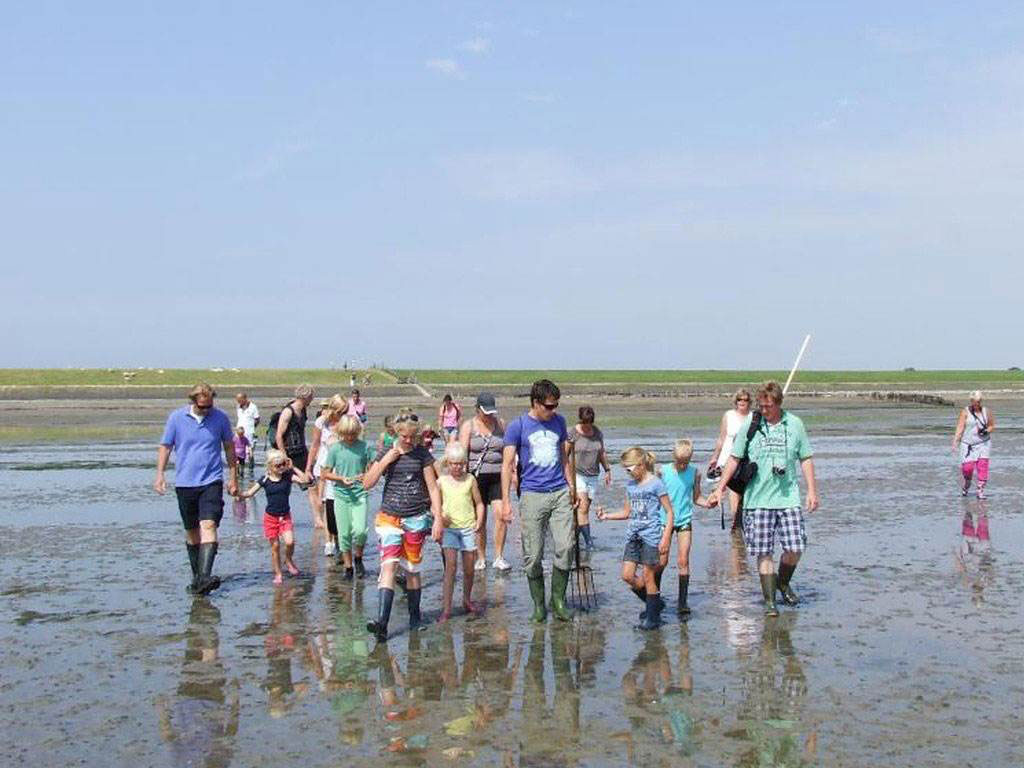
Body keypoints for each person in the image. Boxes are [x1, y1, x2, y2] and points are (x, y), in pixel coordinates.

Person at [708, 381, 819, 617]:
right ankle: (770, 602)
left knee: (795, 547)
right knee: (763, 552)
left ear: (778, 403)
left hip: (787, 498)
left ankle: (782, 582)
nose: (764, 410)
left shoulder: (795, 424)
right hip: (757, 501)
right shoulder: (752, 422)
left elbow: (806, 458)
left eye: (768, 406)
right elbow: (735, 458)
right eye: (761, 405)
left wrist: (812, 491)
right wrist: (720, 488)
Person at [362, 409, 443, 641]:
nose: (408, 441)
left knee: (411, 569)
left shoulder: (422, 455)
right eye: (404, 436)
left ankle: (415, 619)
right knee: (388, 566)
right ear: (396, 432)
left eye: (412, 437)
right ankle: (382, 623)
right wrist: (386, 460)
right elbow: (367, 483)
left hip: (416, 517)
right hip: (389, 517)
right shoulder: (387, 451)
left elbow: (433, 487)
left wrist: (437, 518)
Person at [501, 379, 578, 623]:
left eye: (556, 405)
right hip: (532, 494)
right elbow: (506, 466)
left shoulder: (560, 422)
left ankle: (558, 601)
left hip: (559, 493)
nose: (553, 410)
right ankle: (538, 604)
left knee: (565, 547)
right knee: (533, 556)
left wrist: (571, 485)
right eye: (549, 406)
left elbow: (564, 458)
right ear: (536, 402)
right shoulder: (518, 426)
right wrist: (505, 501)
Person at [154, 383, 238, 595]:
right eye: (202, 406)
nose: (206, 410)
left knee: (209, 525)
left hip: (211, 481)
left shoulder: (220, 418)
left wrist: (233, 477)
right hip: (185, 483)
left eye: (209, 406)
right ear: (193, 402)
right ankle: (198, 578)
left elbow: (229, 447)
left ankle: (205, 576)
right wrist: (160, 475)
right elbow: (165, 446)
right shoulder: (176, 418)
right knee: (192, 532)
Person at [597, 447, 673, 630]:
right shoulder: (630, 486)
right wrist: (606, 516)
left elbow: (670, 512)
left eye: (629, 468)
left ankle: (652, 619)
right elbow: (626, 513)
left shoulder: (656, 483)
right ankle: (655, 603)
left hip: (651, 536)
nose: (627, 472)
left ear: (640, 465)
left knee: (648, 576)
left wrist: (665, 538)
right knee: (627, 576)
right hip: (633, 536)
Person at [238, 450, 310, 584]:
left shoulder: (288, 476)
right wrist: (238, 494)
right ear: (270, 466)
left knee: (290, 542)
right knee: (275, 547)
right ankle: (278, 573)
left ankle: (288, 560)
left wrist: (293, 467)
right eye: (278, 465)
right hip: (270, 518)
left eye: (283, 464)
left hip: (285, 516)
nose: (281, 467)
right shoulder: (265, 479)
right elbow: (249, 493)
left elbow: (306, 481)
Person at [458, 392, 511, 571]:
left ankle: (498, 557)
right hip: (476, 478)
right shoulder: (468, 426)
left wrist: (513, 472)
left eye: (491, 412)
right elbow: (463, 454)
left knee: (501, 516)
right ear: (477, 409)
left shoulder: (501, 424)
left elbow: (509, 450)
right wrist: (461, 480)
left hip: (497, 477)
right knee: (480, 519)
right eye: (486, 412)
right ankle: (481, 557)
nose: (489, 415)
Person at [320, 415, 376, 581]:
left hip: (360, 494)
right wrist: (340, 479)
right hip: (341, 495)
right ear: (341, 432)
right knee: (343, 534)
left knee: (360, 531)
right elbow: (325, 473)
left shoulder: (365, 447)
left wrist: (368, 474)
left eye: (353, 434)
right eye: (346, 434)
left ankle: (358, 557)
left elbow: (375, 464)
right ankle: (348, 566)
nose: (350, 438)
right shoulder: (336, 449)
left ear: (358, 432)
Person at [658, 439, 709, 616]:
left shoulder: (695, 473)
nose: (682, 466)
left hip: (684, 521)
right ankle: (654, 597)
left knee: (683, 560)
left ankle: (682, 602)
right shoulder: (662, 471)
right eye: (679, 462)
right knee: (661, 561)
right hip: (664, 521)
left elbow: (697, 498)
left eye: (685, 463)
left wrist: (708, 503)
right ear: (674, 457)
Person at [437, 442, 485, 621]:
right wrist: (440, 516)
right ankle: (447, 608)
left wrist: (479, 521)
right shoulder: (441, 481)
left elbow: (479, 503)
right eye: (453, 463)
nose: (457, 467)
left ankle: (466, 599)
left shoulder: (470, 479)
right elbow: (434, 505)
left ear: (464, 463)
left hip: (467, 528)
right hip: (450, 529)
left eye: (460, 464)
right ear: (447, 463)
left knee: (469, 569)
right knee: (450, 567)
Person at [707, 389, 752, 531]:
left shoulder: (753, 417)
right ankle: (735, 518)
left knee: (743, 489)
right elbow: (722, 438)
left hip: (746, 458)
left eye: (745, 400)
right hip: (728, 456)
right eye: (739, 400)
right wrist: (715, 457)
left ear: (750, 402)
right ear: (736, 401)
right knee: (731, 486)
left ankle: (740, 515)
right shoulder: (729, 415)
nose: (742, 402)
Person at [567, 406, 612, 550]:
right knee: (583, 508)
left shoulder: (597, 433)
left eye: (590, 423)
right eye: (585, 423)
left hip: (593, 475)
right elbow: (564, 455)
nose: (588, 427)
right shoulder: (573, 433)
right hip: (577, 475)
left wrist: (607, 469)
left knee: (582, 511)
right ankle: (589, 543)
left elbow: (602, 452)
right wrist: (566, 477)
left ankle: (572, 538)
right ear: (581, 420)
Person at [307, 394, 346, 549]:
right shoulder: (321, 423)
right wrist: (308, 467)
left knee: (337, 503)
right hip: (323, 465)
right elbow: (314, 445)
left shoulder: (346, 423)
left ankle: (338, 537)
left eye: (345, 411)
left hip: (340, 467)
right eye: (340, 411)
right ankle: (328, 541)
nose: (343, 415)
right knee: (324, 501)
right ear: (333, 410)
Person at [274, 384, 316, 525]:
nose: (312, 399)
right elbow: (279, 436)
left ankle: (317, 519)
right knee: (285, 486)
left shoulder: (303, 410)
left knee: (311, 484)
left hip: (301, 451)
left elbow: (301, 432)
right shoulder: (288, 411)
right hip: (288, 453)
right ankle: (280, 516)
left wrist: (308, 452)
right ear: (305, 397)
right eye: (311, 397)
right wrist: (285, 458)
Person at [953, 391, 995, 499]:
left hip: (983, 444)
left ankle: (980, 490)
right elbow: (960, 427)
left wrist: (986, 431)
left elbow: (992, 426)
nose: (978, 403)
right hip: (968, 445)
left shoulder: (987, 411)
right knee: (967, 468)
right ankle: (967, 482)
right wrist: (955, 441)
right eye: (976, 401)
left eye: (979, 401)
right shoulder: (965, 411)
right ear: (971, 401)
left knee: (983, 466)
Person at [235, 392, 260, 469]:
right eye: (237, 400)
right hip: (239, 431)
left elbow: (257, 419)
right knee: (237, 448)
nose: (238, 402)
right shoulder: (238, 407)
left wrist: (252, 428)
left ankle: (251, 467)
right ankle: (239, 467)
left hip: (249, 432)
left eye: (240, 400)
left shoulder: (253, 407)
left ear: (245, 399)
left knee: (250, 450)